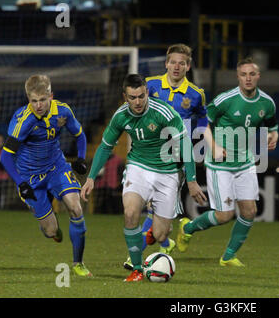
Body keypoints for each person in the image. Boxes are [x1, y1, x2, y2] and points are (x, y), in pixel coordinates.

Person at [80, 74, 207, 282]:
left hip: (168, 172)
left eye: (141, 96)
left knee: (161, 235)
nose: (137, 102)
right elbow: (105, 146)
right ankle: (137, 269)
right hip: (138, 167)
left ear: (147, 92)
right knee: (130, 213)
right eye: (132, 97)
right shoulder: (120, 116)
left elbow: (184, 143)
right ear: (125, 97)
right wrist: (91, 177)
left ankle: (156, 228)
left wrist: (192, 180)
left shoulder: (163, 112)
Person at [176, 57, 279, 267]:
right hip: (219, 165)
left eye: (252, 74)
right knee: (224, 216)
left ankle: (229, 256)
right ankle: (187, 228)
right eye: (244, 74)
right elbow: (203, 123)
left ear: (258, 76)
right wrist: (213, 147)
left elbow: (272, 124)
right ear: (238, 77)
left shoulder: (267, 102)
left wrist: (273, 135)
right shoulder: (226, 100)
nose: (248, 78)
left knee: (250, 212)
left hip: (246, 163)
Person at [123, 44, 207, 270]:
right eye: (173, 62)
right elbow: (131, 110)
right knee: (152, 209)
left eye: (182, 63)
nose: (177, 67)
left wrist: (199, 138)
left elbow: (203, 119)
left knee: (153, 207)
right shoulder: (149, 85)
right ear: (166, 64)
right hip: (147, 155)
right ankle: (164, 241)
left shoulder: (196, 94)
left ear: (188, 66)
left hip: (175, 159)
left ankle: (136, 255)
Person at [0, 74, 92, 276]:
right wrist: (20, 182)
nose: (39, 105)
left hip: (56, 168)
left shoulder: (63, 111)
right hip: (30, 178)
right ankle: (52, 228)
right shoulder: (22, 121)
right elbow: (6, 156)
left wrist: (81, 158)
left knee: (76, 208)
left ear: (51, 95)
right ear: (28, 100)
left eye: (43, 100)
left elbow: (80, 134)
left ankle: (78, 263)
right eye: (34, 101)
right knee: (51, 231)